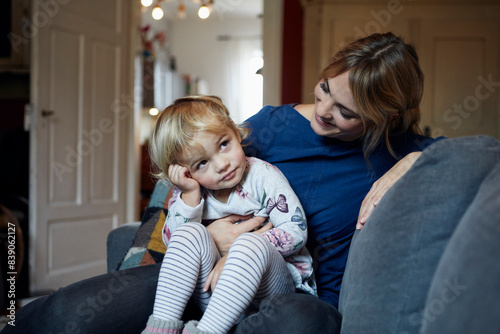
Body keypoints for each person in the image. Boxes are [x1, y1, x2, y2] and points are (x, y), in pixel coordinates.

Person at [1, 32, 440, 334]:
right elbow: (187, 167)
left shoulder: (396, 148)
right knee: (74, 311)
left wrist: (415, 159)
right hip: (200, 267)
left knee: (299, 324)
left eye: (346, 111)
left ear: (387, 117)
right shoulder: (270, 125)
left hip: (290, 288)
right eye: (324, 89)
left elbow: (480, 152)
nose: (323, 110)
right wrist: (201, 236)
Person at [141, 96, 315, 334]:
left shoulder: (261, 175)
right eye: (202, 162)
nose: (222, 164)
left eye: (224, 144)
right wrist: (190, 195)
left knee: (249, 244)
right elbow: (174, 246)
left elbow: (296, 231)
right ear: (185, 172)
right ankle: (160, 328)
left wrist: (233, 255)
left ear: (235, 132)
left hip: (272, 290)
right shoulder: (190, 191)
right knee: (188, 233)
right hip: (215, 298)